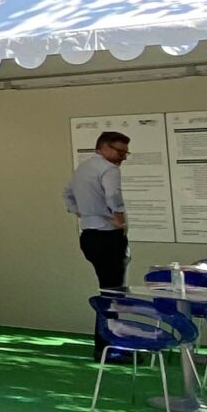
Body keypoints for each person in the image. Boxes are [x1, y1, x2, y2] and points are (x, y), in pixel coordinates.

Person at [64, 132, 131, 321]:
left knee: (106, 290)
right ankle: (111, 345)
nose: (123, 157)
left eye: (126, 153)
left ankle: (106, 343)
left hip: (89, 236)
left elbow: (67, 193)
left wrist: (78, 211)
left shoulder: (84, 168)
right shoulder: (109, 169)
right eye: (120, 152)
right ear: (105, 148)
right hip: (108, 236)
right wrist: (119, 218)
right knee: (113, 293)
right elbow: (113, 195)